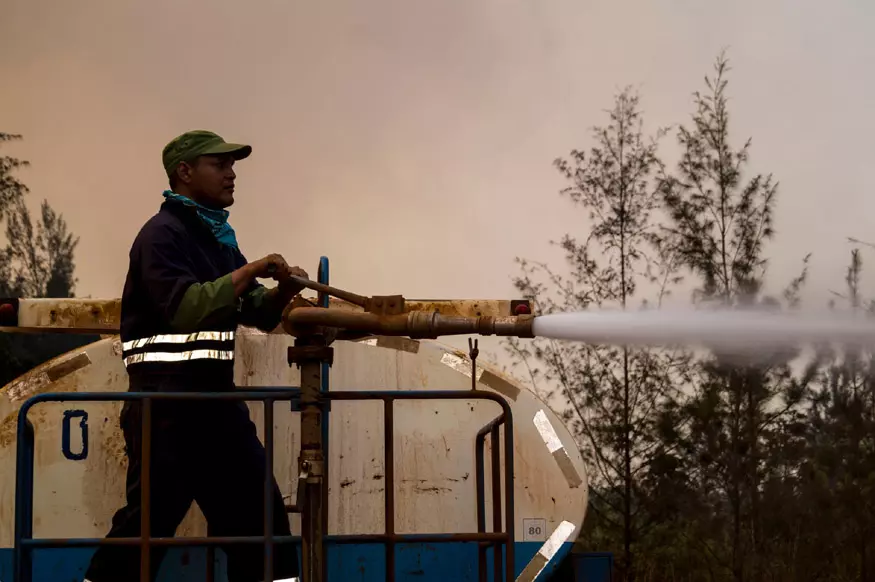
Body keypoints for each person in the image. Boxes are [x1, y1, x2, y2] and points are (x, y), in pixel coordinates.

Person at [84, 130, 303, 582]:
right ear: (184, 173)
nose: (232, 173)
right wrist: (249, 270)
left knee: (262, 526)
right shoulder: (160, 236)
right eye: (219, 164)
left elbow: (255, 313)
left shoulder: (216, 238)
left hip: (214, 406)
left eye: (232, 165)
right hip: (164, 408)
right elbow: (186, 308)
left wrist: (282, 291)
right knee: (146, 528)